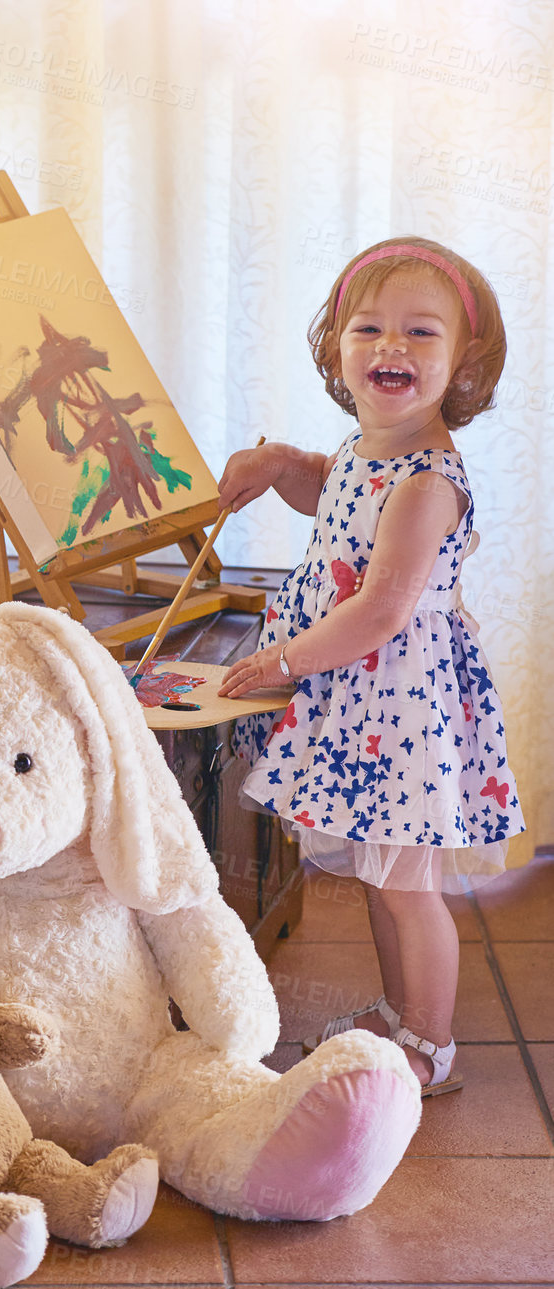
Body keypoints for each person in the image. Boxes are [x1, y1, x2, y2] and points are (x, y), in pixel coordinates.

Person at [217, 235, 524, 1096]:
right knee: (385, 880)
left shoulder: (429, 484)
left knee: (408, 885)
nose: (391, 347)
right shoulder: (364, 449)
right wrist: (281, 463)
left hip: (402, 708)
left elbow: (383, 607)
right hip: (367, 703)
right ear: (337, 351)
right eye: (369, 329)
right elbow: (334, 488)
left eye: (422, 334)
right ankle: (399, 1016)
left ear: (464, 371)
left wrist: (283, 659)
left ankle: (430, 1042)